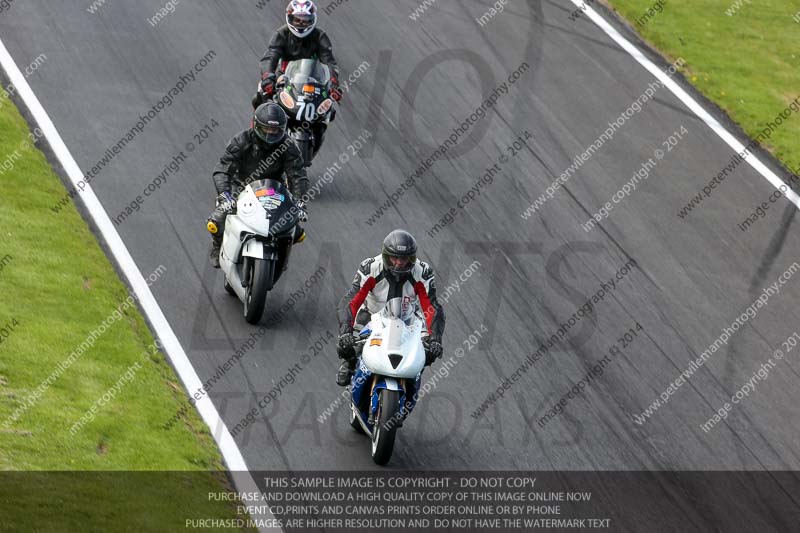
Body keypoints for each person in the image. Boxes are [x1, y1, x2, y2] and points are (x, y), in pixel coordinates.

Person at [335, 230, 446, 419]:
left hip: (408, 319)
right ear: (386, 255)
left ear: (412, 257)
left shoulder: (422, 272)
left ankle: (411, 380)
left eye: (404, 258)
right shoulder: (370, 267)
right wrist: (346, 330)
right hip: (371, 315)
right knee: (345, 345)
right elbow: (352, 299)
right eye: (394, 257)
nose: (399, 263)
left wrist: (435, 338)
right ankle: (351, 363)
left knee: (430, 350)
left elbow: (431, 306)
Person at [207, 102, 309, 268]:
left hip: (274, 188)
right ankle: (218, 246)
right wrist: (224, 194)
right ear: (256, 125)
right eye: (267, 129)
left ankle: (281, 258)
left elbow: (298, 175)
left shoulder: (288, 146)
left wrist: (300, 201)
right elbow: (222, 169)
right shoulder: (241, 141)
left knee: (296, 230)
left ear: (282, 129)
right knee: (216, 221)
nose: (270, 134)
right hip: (240, 186)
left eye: (275, 130)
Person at [253, 0, 341, 158]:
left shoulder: (320, 36)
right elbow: (270, 57)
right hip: (284, 75)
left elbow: (329, 62)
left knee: (329, 110)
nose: (301, 23)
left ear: (312, 19)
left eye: (305, 20)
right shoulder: (281, 34)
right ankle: (256, 134)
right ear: (289, 18)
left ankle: (317, 134)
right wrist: (268, 78)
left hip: (313, 79)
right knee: (261, 93)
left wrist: (334, 84)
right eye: (297, 19)